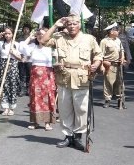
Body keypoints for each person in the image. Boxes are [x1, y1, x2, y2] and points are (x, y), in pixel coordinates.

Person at [40, 15, 101, 151]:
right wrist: (56, 25)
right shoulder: (59, 37)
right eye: (69, 24)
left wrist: (96, 65)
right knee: (65, 109)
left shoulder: (88, 39)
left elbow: (98, 55)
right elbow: (43, 41)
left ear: (80, 24)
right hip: (64, 78)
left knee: (81, 110)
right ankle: (68, 136)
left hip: (82, 79)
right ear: (65, 25)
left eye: (75, 23)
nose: (72, 26)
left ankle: (78, 136)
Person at [19, 27, 56, 131]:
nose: (41, 36)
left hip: (47, 76)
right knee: (35, 99)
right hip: (35, 78)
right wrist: (30, 37)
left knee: (48, 98)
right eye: (39, 34)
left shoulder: (51, 48)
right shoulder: (32, 47)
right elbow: (21, 47)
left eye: (44, 34)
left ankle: (47, 122)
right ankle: (34, 121)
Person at [100, 22, 126, 109]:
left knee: (120, 83)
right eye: (116, 30)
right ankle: (107, 100)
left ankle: (120, 100)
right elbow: (100, 55)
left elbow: (122, 50)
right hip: (109, 65)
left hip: (118, 65)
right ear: (111, 32)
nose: (118, 32)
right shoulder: (104, 41)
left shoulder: (118, 40)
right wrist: (103, 64)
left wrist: (122, 57)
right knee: (109, 83)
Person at [17, 24, 32, 95]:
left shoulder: (33, 39)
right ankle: (21, 89)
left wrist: (29, 56)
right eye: (24, 29)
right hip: (21, 59)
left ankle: (28, 89)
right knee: (21, 74)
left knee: (29, 74)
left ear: (30, 30)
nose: (26, 30)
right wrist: (21, 56)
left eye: (27, 29)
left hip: (30, 59)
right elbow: (17, 49)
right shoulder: (19, 39)